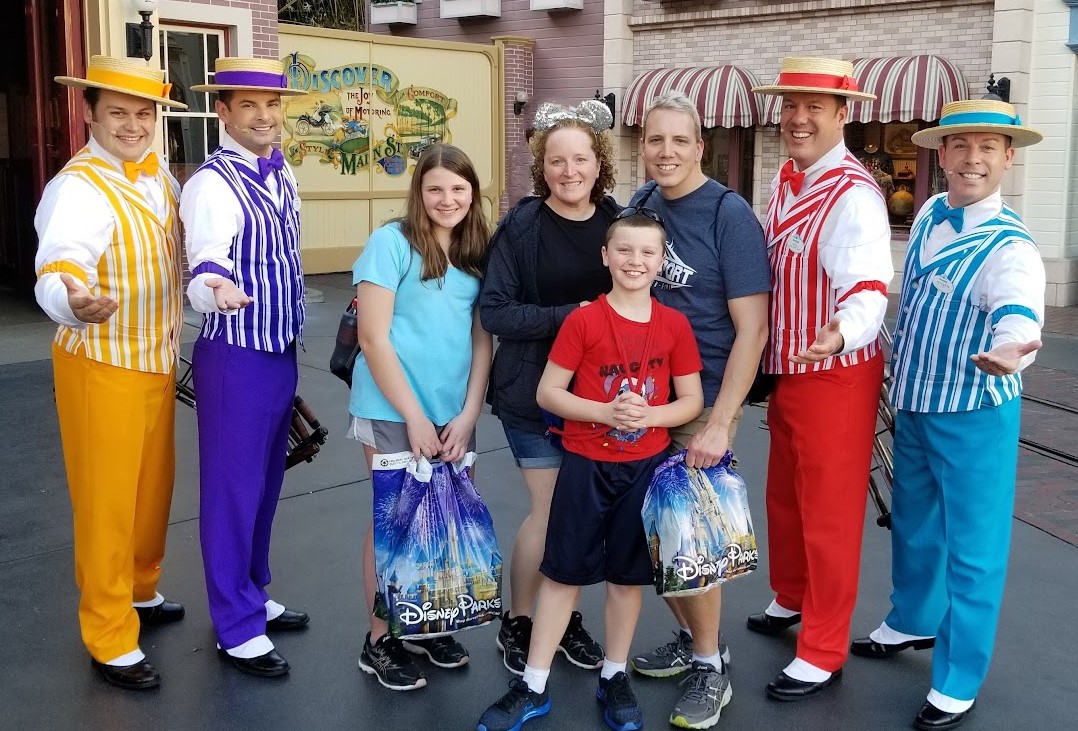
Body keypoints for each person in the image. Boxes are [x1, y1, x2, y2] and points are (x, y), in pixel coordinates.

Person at [850, 99, 1045, 731]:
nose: (972, 159)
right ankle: (911, 619)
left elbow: (1017, 310)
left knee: (974, 547)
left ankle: (959, 677)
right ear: (942, 153)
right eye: (960, 145)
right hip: (916, 400)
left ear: (1008, 158)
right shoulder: (932, 210)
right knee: (912, 521)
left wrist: (1012, 347)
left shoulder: (1012, 247)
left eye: (987, 147)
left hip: (973, 414)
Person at [477, 210, 705, 731]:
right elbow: (547, 392)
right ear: (605, 256)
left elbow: (689, 399)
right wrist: (604, 411)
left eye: (648, 252)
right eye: (624, 250)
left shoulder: (673, 325)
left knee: (627, 579)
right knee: (563, 573)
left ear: (660, 263)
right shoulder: (584, 321)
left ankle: (614, 673)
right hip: (586, 462)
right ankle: (534, 683)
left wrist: (649, 415)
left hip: (642, 466)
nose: (635, 261)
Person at [33, 55, 188, 691]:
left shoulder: (161, 179)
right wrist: (71, 299)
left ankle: (141, 590)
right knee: (106, 502)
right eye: (118, 112)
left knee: (152, 493)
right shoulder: (78, 186)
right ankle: (108, 632)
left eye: (143, 113)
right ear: (90, 113)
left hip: (154, 362)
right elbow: (59, 261)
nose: (132, 125)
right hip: (100, 363)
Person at [748, 57, 893, 701]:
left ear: (843, 114)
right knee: (786, 492)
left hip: (835, 372)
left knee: (830, 512)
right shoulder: (790, 179)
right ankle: (792, 596)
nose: (798, 117)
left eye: (814, 107)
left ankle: (825, 647)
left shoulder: (854, 194)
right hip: (790, 369)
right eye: (791, 105)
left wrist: (840, 330)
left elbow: (867, 286)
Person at [625, 90, 770, 729]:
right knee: (653, 534)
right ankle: (690, 640)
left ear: (701, 147)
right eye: (655, 140)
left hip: (702, 396)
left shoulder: (728, 214)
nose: (666, 152)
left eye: (679, 141)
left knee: (693, 540)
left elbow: (754, 328)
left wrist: (719, 420)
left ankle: (711, 665)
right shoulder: (642, 205)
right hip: (641, 396)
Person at [182, 57, 311, 678]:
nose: (264, 116)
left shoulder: (279, 170)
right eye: (249, 105)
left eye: (272, 105)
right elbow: (204, 262)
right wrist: (216, 287)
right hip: (235, 355)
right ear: (223, 112)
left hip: (277, 350)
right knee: (232, 491)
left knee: (265, 485)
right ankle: (235, 624)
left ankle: (253, 592)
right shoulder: (212, 184)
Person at [479, 99, 617, 676]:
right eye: (556, 161)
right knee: (552, 506)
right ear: (543, 167)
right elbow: (496, 311)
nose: (569, 171)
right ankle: (520, 620)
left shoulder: (620, 221)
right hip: (532, 393)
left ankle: (563, 619)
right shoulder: (521, 226)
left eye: (580, 159)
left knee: (580, 510)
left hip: (600, 398)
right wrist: (574, 316)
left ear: (597, 162)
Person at [350, 143, 492, 692]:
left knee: (444, 518)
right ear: (418, 192)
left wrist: (471, 410)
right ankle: (380, 638)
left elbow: (483, 338)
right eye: (435, 188)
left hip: (453, 410)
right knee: (397, 521)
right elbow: (373, 336)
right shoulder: (391, 244)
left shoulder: (477, 249)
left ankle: (427, 626)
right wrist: (412, 416)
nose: (447, 199)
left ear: (472, 194)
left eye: (458, 189)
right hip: (392, 408)